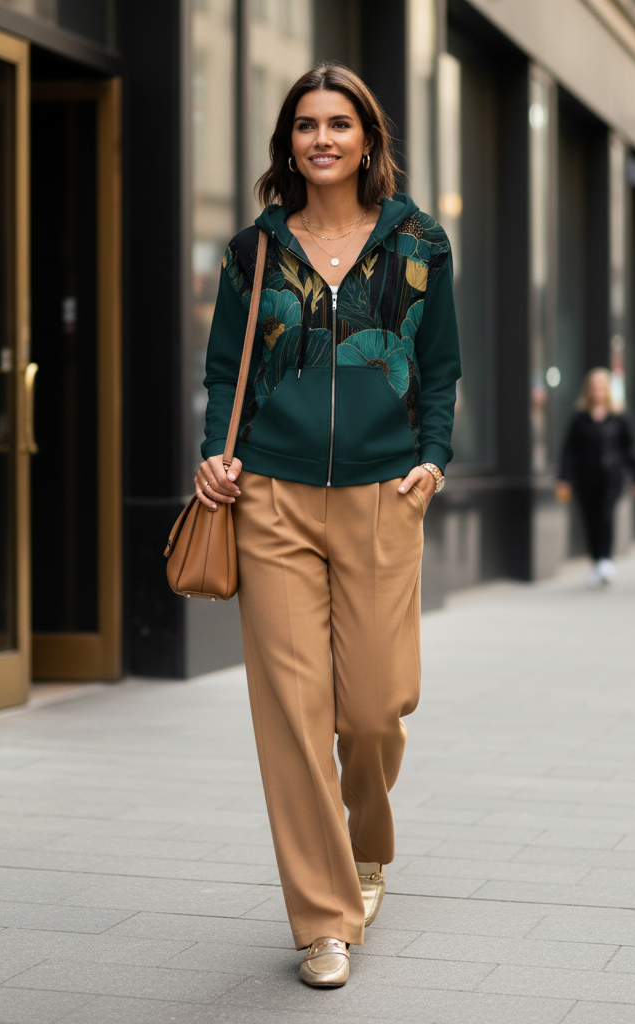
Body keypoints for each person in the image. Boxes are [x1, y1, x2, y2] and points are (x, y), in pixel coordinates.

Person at [196, 63, 460, 988]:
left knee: (374, 708)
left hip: (386, 494)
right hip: (269, 496)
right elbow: (224, 369)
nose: (322, 138)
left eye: (338, 123)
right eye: (306, 124)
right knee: (295, 717)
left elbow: (441, 366)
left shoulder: (417, 242)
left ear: (367, 137)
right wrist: (214, 453)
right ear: (289, 142)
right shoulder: (254, 252)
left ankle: (370, 842)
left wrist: (432, 458)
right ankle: (323, 920)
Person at [555, 368, 635, 587]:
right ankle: (596, 561)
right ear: (588, 390)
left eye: (601, 387)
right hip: (585, 478)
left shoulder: (619, 416)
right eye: (593, 387)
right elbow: (569, 451)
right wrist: (564, 478)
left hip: (612, 478)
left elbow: (630, 449)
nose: (597, 391)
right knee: (590, 519)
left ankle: (606, 560)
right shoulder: (579, 418)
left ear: (607, 390)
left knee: (605, 516)